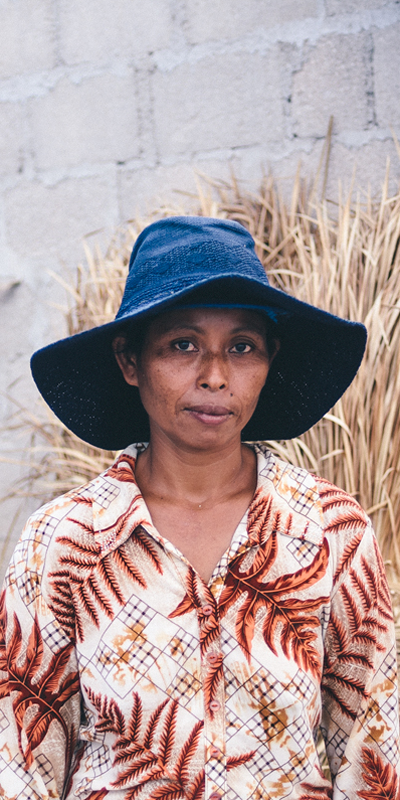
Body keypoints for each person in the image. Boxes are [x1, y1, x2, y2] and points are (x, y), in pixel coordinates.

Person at [0, 216, 398, 800]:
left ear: (269, 361)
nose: (215, 376)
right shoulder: (63, 542)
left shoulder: (329, 531)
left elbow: (376, 748)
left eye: (242, 347)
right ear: (130, 361)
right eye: (182, 345)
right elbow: (20, 760)